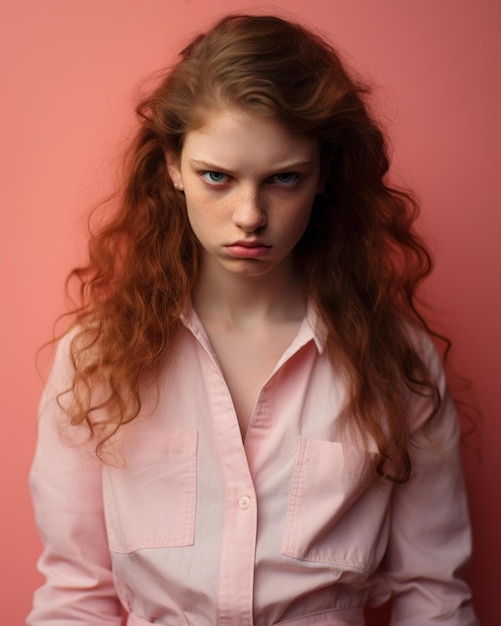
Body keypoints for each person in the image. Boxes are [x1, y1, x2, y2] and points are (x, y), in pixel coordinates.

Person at [28, 13, 478, 626]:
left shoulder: (396, 362)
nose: (249, 216)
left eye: (283, 179)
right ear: (171, 166)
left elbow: (434, 599)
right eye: (217, 176)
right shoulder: (95, 360)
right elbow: (75, 599)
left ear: (324, 177)